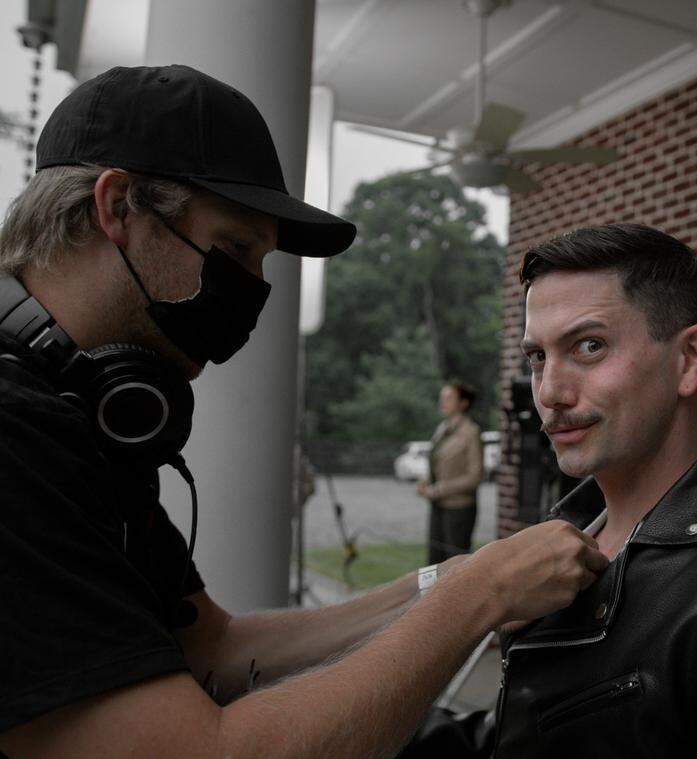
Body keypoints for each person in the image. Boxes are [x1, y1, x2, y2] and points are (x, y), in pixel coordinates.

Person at [0, 64, 608, 758]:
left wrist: (455, 575)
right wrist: (479, 599)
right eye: (233, 248)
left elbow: (217, 646)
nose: (254, 290)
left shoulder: (80, 416)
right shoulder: (15, 432)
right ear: (118, 207)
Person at [405, 223, 697, 757]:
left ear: (691, 358)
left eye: (589, 346)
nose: (551, 392)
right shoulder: (564, 540)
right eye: (538, 356)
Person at [417, 381, 483, 563]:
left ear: (463, 403)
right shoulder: (442, 429)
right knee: (433, 563)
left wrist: (437, 489)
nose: (442, 402)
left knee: (454, 565)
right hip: (438, 506)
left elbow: (475, 477)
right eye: (442, 398)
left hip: (459, 509)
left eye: (448, 398)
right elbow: (436, 460)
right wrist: (426, 481)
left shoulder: (471, 432)